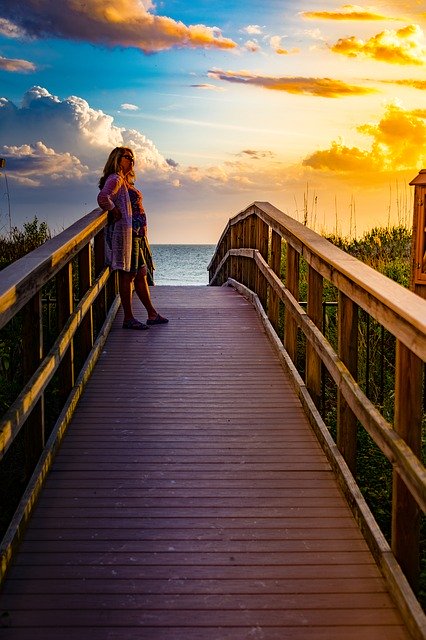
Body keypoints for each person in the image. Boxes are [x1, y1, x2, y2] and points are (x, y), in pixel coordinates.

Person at [98, 147, 168, 330]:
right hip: (127, 235)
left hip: (136, 235)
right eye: (127, 157)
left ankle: (151, 314)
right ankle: (128, 318)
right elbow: (103, 197)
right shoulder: (115, 178)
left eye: (132, 158)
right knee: (128, 275)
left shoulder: (124, 180)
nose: (132, 161)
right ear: (117, 159)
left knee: (141, 274)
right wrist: (114, 210)